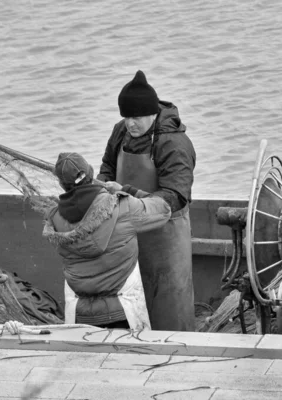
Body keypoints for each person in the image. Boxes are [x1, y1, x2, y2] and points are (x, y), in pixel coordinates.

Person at [97, 70, 196, 331]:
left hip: (165, 236)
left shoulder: (174, 144)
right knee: (129, 302)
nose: (131, 123)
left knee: (168, 302)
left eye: (137, 117)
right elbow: (107, 166)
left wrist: (126, 192)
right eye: (126, 117)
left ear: (152, 114)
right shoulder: (121, 131)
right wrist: (104, 188)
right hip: (126, 234)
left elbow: (175, 196)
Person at [43, 152, 171, 331]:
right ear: (91, 174)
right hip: (124, 312)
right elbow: (164, 209)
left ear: (61, 184)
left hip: (78, 316)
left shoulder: (54, 218)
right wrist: (127, 190)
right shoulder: (123, 205)